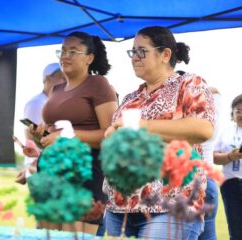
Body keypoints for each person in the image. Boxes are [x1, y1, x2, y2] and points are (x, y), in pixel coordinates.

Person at [103, 26, 214, 239]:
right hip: (120, 208)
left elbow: (202, 128)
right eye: (132, 52)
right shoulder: (130, 98)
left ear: (165, 54)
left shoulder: (188, 84)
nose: (134, 57)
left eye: (141, 51)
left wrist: (141, 126)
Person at [30, 31, 118, 234]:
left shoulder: (98, 84)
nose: (65, 56)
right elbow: (55, 132)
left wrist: (67, 136)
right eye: (62, 51)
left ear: (89, 58)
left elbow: (110, 135)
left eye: (73, 51)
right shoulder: (57, 89)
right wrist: (41, 134)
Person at [214, 94, 242, 240]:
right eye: (238, 111)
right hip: (230, 184)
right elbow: (213, 157)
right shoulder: (225, 132)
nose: (241, 114)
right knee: (236, 230)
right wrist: (230, 156)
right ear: (232, 113)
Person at [199, 87, 221, 240]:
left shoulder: (180, 121)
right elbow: (215, 92)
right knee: (208, 234)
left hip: (187, 183)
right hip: (210, 180)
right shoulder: (213, 119)